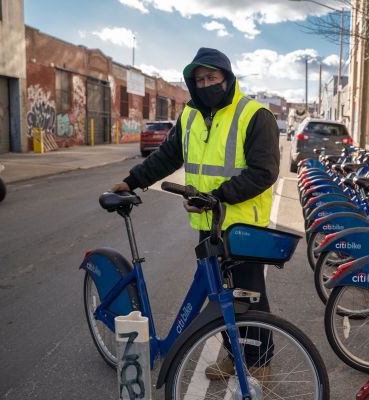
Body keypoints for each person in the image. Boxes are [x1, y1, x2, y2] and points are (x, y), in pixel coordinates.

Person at [109, 47, 280, 380]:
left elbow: (264, 172)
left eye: (211, 77)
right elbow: (167, 156)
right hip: (208, 224)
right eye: (198, 79)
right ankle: (232, 357)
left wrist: (215, 197)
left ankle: (260, 363)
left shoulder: (254, 115)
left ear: (227, 78)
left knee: (250, 300)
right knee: (218, 298)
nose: (205, 84)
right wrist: (132, 181)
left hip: (244, 226)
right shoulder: (189, 115)